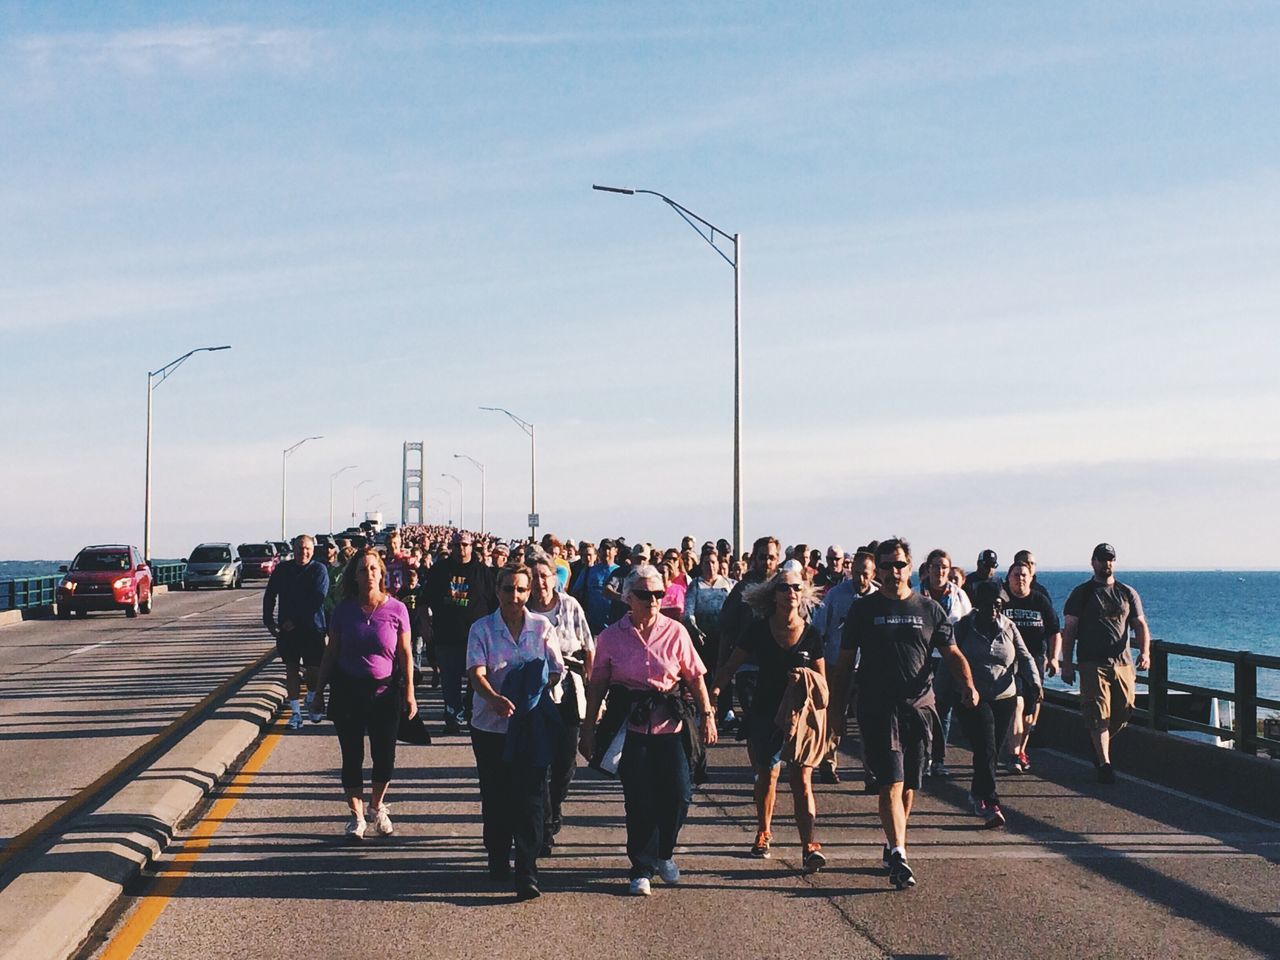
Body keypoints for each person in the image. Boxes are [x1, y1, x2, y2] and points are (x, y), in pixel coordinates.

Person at [829, 538, 978, 890]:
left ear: (911, 568)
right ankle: (899, 852)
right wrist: (835, 714)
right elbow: (846, 663)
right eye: (886, 566)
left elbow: (952, 652)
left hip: (919, 709)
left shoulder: (930, 609)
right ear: (877, 570)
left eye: (899, 565)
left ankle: (892, 842)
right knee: (890, 782)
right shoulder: (863, 610)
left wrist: (968, 684)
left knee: (909, 784)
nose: (893, 572)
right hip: (877, 709)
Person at [579, 564, 716, 896]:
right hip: (632, 725)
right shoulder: (610, 637)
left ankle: (664, 853)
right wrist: (588, 728)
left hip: (671, 722)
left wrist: (707, 715)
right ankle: (641, 867)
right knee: (639, 799)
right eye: (644, 595)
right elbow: (597, 685)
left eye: (658, 594)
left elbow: (694, 676)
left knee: (679, 794)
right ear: (629, 598)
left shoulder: (676, 631)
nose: (653, 600)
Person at [713, 567, 828, 872]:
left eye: (794, 588)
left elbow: (822, 681)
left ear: (801, 593)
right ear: (773, 595)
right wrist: (710, 695)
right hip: (765, 711)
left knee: (802, 779)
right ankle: (763, 832)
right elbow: (730, 666)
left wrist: (806, 682)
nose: (790, 593)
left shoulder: (812, 634)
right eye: (783, 588)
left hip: (799, 717)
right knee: (768, 775)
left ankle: (809, 845)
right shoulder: (759, 630)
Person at [466, 562, 563, 900]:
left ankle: (527, 870)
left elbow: (556, 669)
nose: (515, 596)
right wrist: (494, 698)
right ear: (498, 591)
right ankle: (497, 855)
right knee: (496, 797)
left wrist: (533, 685)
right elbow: (476, 673)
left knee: (531, 799)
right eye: (509, 589)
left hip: (530, 727)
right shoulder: (482, 629)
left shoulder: (542, 627)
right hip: (491, 727)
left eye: (522, 590)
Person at [316, 548, 416, 841]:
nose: (369, 574)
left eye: (374, 569)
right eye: (363, 570)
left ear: (382, 574)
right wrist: (318, 690)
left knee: (385, 757)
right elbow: (331, 651)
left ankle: (376, 806)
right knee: (352, 756)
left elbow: (406, 653)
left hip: (385, 692)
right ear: (354, 577)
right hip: (348, 691)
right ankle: (357, 816)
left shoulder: (397, 609)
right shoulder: (343, 611)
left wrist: (410, 692)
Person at [524, 549, 595, 855]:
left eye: (545, 576)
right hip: (534, 689)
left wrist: (595, 694)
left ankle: (554, 807)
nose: (541, 582)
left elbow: (589, 647)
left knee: (565, 764)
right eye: (535, 576)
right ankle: (544, 826)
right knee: (539, 761)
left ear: (555, 578)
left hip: (569, 685)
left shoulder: (570, 606)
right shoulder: (523, 609)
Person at [953, 581, 1041, 827]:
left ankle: (976, 793)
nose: (993, 609)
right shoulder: (963, 628)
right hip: (973, 697)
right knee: (986, 746)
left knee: (989, 751)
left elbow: (1024, 657)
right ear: (978, 606)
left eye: (998, 605)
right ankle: (991, 803)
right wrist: (942, 696)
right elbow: (951, 657)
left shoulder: (1009, 627)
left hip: (1005, 697)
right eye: (988, 604)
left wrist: (1035, 684)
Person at [1061, 543, 1151, 783]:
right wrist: (1066, 663)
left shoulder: (1127, 592)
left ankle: (1099, 743)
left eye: (1110, 559)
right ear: (1093, 562)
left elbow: (1140, 625)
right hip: (1092, 663)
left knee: (1124, 710)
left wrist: (1145, 652)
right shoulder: (1082, 593)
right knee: (1099, 713)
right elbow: (1070, 628)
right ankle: (1104, 764)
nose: (1106, 563)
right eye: (1101, 559)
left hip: (1122, 663)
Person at [810, 549, 876, 783]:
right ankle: (828, 763)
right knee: (833, 716)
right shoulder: (836, 596)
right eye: (856, 573)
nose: (861, 579)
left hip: (867, 669)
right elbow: (819, 629)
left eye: (865, 574)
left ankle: (872, 770)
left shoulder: (878, 598)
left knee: (868, 720)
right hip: (837, 665)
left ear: (873, 573)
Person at [423, 530, 493, 734]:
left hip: (477, 639)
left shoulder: (483, 572)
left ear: (472, 547)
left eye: (465, 545)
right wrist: (426, 625)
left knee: (477, 679)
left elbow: (495, 603)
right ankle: (452, 717)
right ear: (451, 548)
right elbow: (424, 600)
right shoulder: (439, 570)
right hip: (447, 636)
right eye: (457, 545)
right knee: (449, 681)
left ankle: (470, 712)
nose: (461, 549)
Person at [263, 534, 330, 729]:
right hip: (288, 631)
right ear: (294, 549)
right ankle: (296, 713)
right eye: (300, 548)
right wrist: (269, 620)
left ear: (313, 550)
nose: (304, 552)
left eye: (307, 548)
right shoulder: (283, 569)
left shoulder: (319, 569)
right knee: (291, 670)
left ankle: (311, 697)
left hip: (313, 629)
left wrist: (296, 620)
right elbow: (270, 595)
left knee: (313, 672)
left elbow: (318, 598)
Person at [1004, 559, 1062, 770]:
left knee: (1030, 710)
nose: (1020, 578)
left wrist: (1054, 658)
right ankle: (1013, 755)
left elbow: (1054, 632)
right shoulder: (1002, 601)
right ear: (1008, 578)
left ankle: (1021, 750)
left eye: (1024, 575)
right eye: (1015, 575)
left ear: (1031, 579)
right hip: (1009, 663)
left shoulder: (1040, 601)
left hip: (1035, 661)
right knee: (1016, 704)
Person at [920, 549, 973, 777]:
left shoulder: (959, 596)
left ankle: (938, 759)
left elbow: (968, 624)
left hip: (947, 659)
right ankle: (920, 757)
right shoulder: (916, 594)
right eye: (935, 566)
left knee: (943, 710)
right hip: (922, 659)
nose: (939, 571)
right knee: (921, 710)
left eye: (944, 567)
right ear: (927, 568)